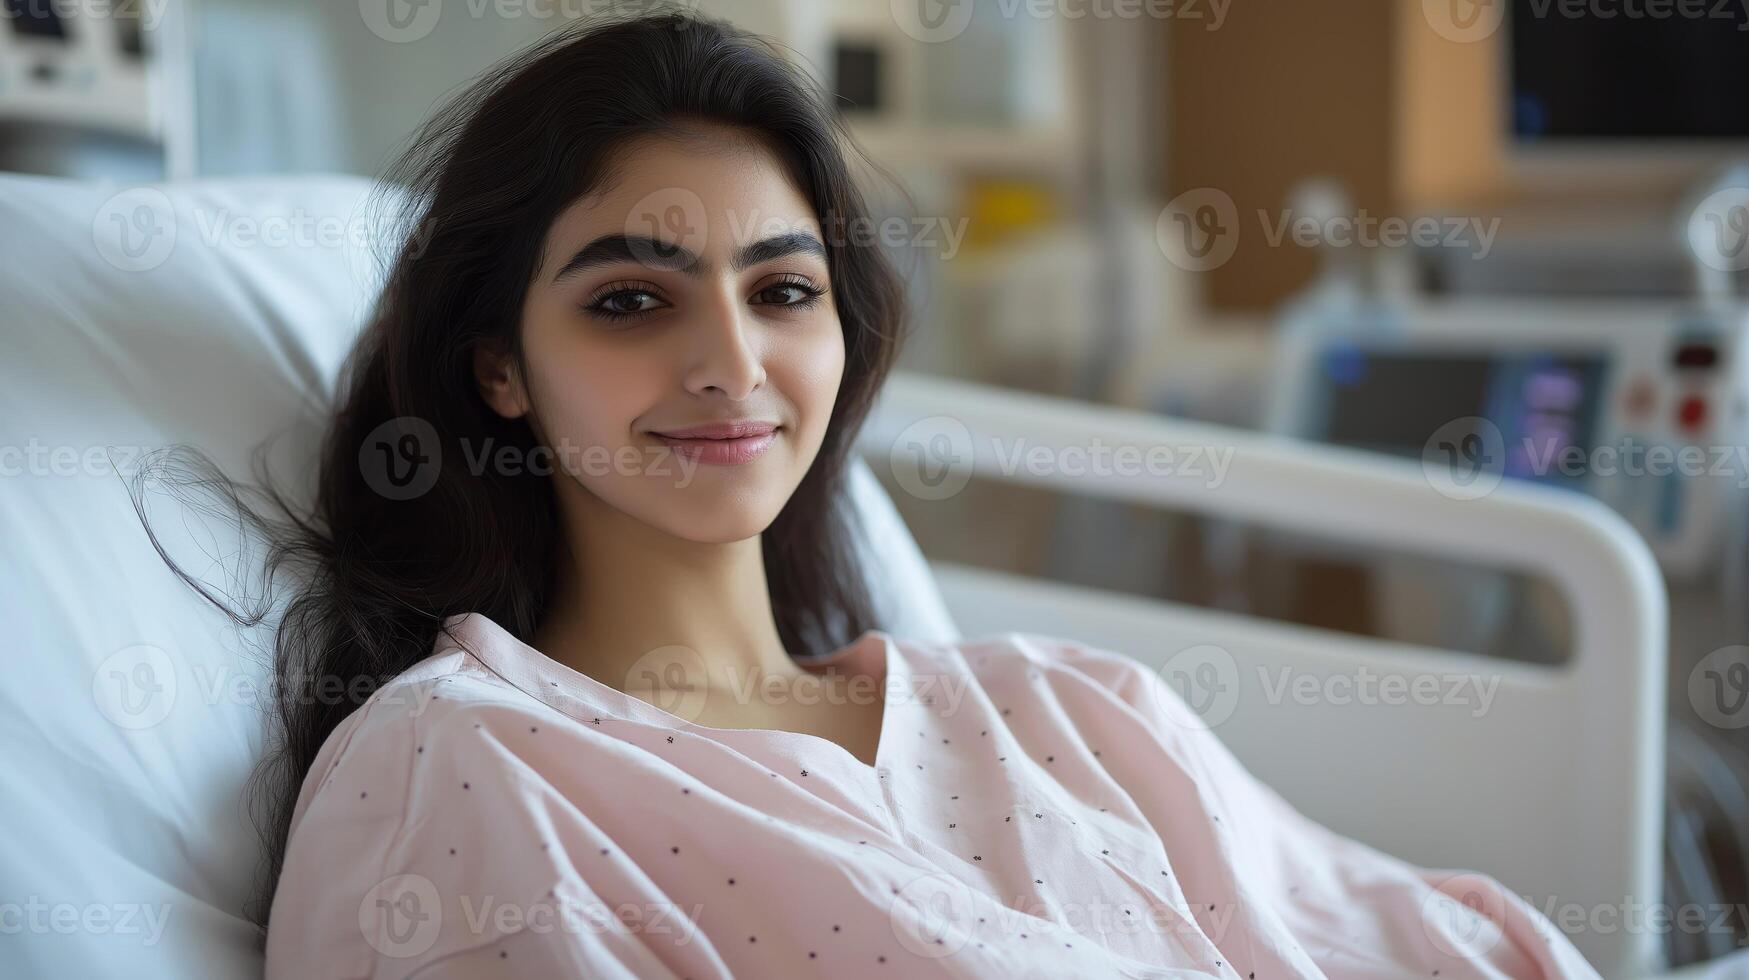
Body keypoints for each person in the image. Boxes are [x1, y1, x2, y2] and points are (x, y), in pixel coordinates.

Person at [145, 8, 1598, 977]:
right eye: (631, 300)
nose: (732, 362)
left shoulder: (1063, 710)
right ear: (498, 369)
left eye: (784, 289)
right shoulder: (459, 776)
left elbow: (1431, 948)